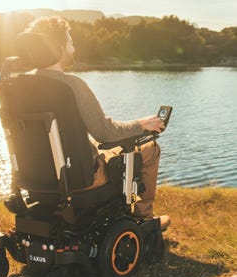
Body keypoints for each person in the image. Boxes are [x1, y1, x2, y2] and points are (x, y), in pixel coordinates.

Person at [15, 16, 171, 230]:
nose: (73, 47)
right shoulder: (72, 86)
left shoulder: (19, 86)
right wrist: (141, 124)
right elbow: (105, 133)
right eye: (70, 43)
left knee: (99, 148)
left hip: (35, 175)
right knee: (149, 148)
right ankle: (144, 219)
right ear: (58, 49)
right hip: (79, 177)